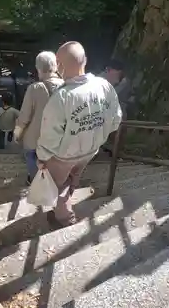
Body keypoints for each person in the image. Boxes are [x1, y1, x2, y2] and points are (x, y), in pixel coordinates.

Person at [36, 41, 122, 228]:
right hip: (91, 150)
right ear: (86, 60)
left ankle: (64, 218)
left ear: (59, 67)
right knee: (75, 176)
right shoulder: (105, 86)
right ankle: (68, 199)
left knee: (57, 184)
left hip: (64, 155)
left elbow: (50, 137)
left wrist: (42, 158)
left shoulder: (61, 97)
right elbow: (116, 120)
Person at [14, 51, 64, 185]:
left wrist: (17, 133)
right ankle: (51, 182)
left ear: (38, 68)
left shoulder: (34, 88)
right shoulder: (66, 87)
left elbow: (24, 116)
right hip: (58, 137)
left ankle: (35, 180)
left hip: (35, 139)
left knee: (31, 157)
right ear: (56, 66)